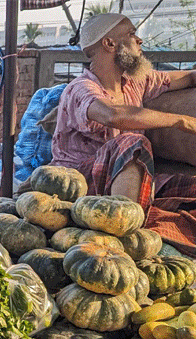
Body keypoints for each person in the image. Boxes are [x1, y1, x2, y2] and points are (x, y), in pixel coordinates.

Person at [50, 14, 196, 253]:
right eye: (131, 34)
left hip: (124, 181)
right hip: (80, 188)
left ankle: (140, 220)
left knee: (190, 188)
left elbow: (188, 77)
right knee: (131, 142)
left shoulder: (135, 82)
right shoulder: (80, 88)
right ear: (109, 44)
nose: (139, 40)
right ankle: (122, 238)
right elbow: (112, 115)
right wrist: (181, 121)